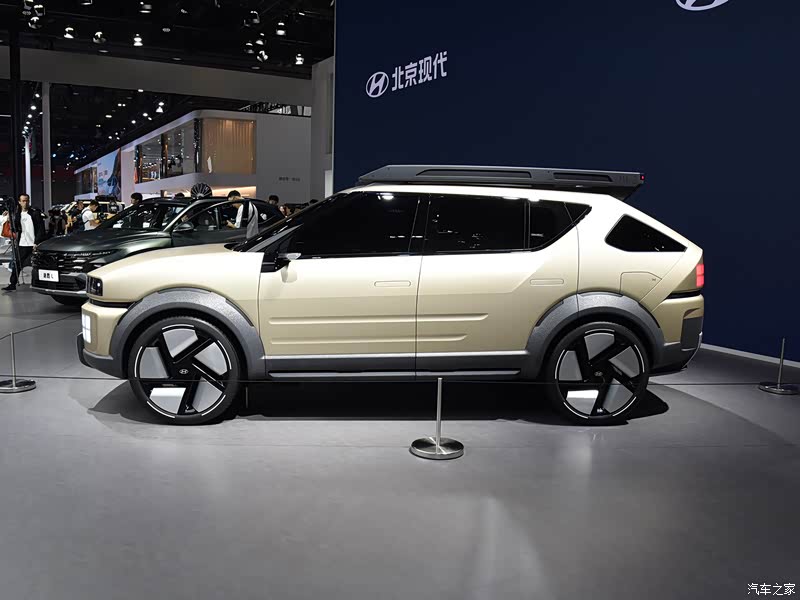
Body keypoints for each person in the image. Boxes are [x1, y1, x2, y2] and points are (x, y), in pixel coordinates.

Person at [2, 194, 46, 292]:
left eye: (27, 201)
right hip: (22, 243)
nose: (25, 203)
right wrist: (9, 217)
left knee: (38, 264)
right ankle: (12, 284)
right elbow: (16, 227)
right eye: (23, 201)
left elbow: (40, 229)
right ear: (19, 202)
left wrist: (37, 242)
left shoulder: (34, 213)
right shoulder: (18, 214)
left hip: (34, 244)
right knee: (17, 264)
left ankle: (40, 283)